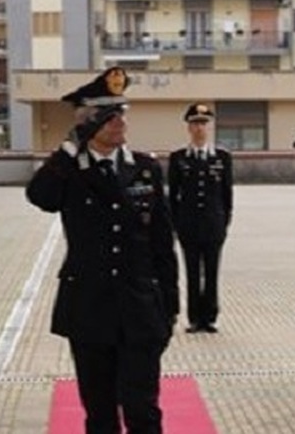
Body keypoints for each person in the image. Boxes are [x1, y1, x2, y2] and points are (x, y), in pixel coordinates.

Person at [25, 67, 179, 434]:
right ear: (87, 123)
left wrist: (169, 306)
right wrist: (69, 147)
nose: (119, 123)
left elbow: (162, 242)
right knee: (100, 413)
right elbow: (39, 197)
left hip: (139, 307)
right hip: (89, 309)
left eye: (121, 113)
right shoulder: (69, 171)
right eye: (107, 117)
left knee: (143, 408)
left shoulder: (144, 168)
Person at [167, 103, 233, 334]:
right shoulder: (178, 158)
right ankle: (195, 318)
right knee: (192, 273)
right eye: (195, 123)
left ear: (209, 127)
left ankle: (211, 317)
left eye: (203, 124)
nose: (199, 128)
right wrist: (175, 225)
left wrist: (224, 224)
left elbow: (227, 196)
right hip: (188, 225)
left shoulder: (222, 157)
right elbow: (172, 196)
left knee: (212, 272)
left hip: (213, 225)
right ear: (188, 127)